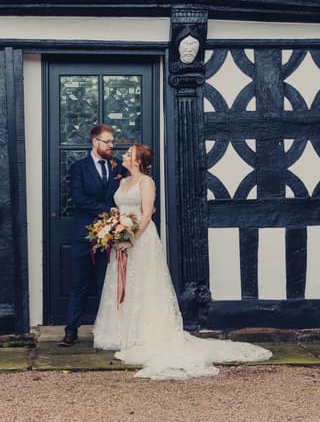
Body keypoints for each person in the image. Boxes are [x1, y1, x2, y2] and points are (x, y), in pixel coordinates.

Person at [93, 144, 272, 379]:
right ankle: (121, 332)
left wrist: (131, 239)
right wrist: (114, 229)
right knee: (124, 282)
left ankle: (143, 335)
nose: (124, 156)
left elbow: (146, 214)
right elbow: (120, 209)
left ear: (137, 161)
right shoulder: (122, 182)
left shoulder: (146, 182)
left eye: (129, 154)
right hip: (122, 239)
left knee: (145, 283)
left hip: (141, 239)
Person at [59, 124, 126, 347]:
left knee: (105, 284)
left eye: (112, 142)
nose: (111, 145)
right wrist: (108, 211)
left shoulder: (117, 167)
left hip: (112, 236)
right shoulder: (79, 167)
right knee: (79, 284)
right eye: (107, 141)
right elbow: (78, 199)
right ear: (95, 142)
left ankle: (105, 331)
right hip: (84, 235)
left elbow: (128, 190)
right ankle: (71, 331)